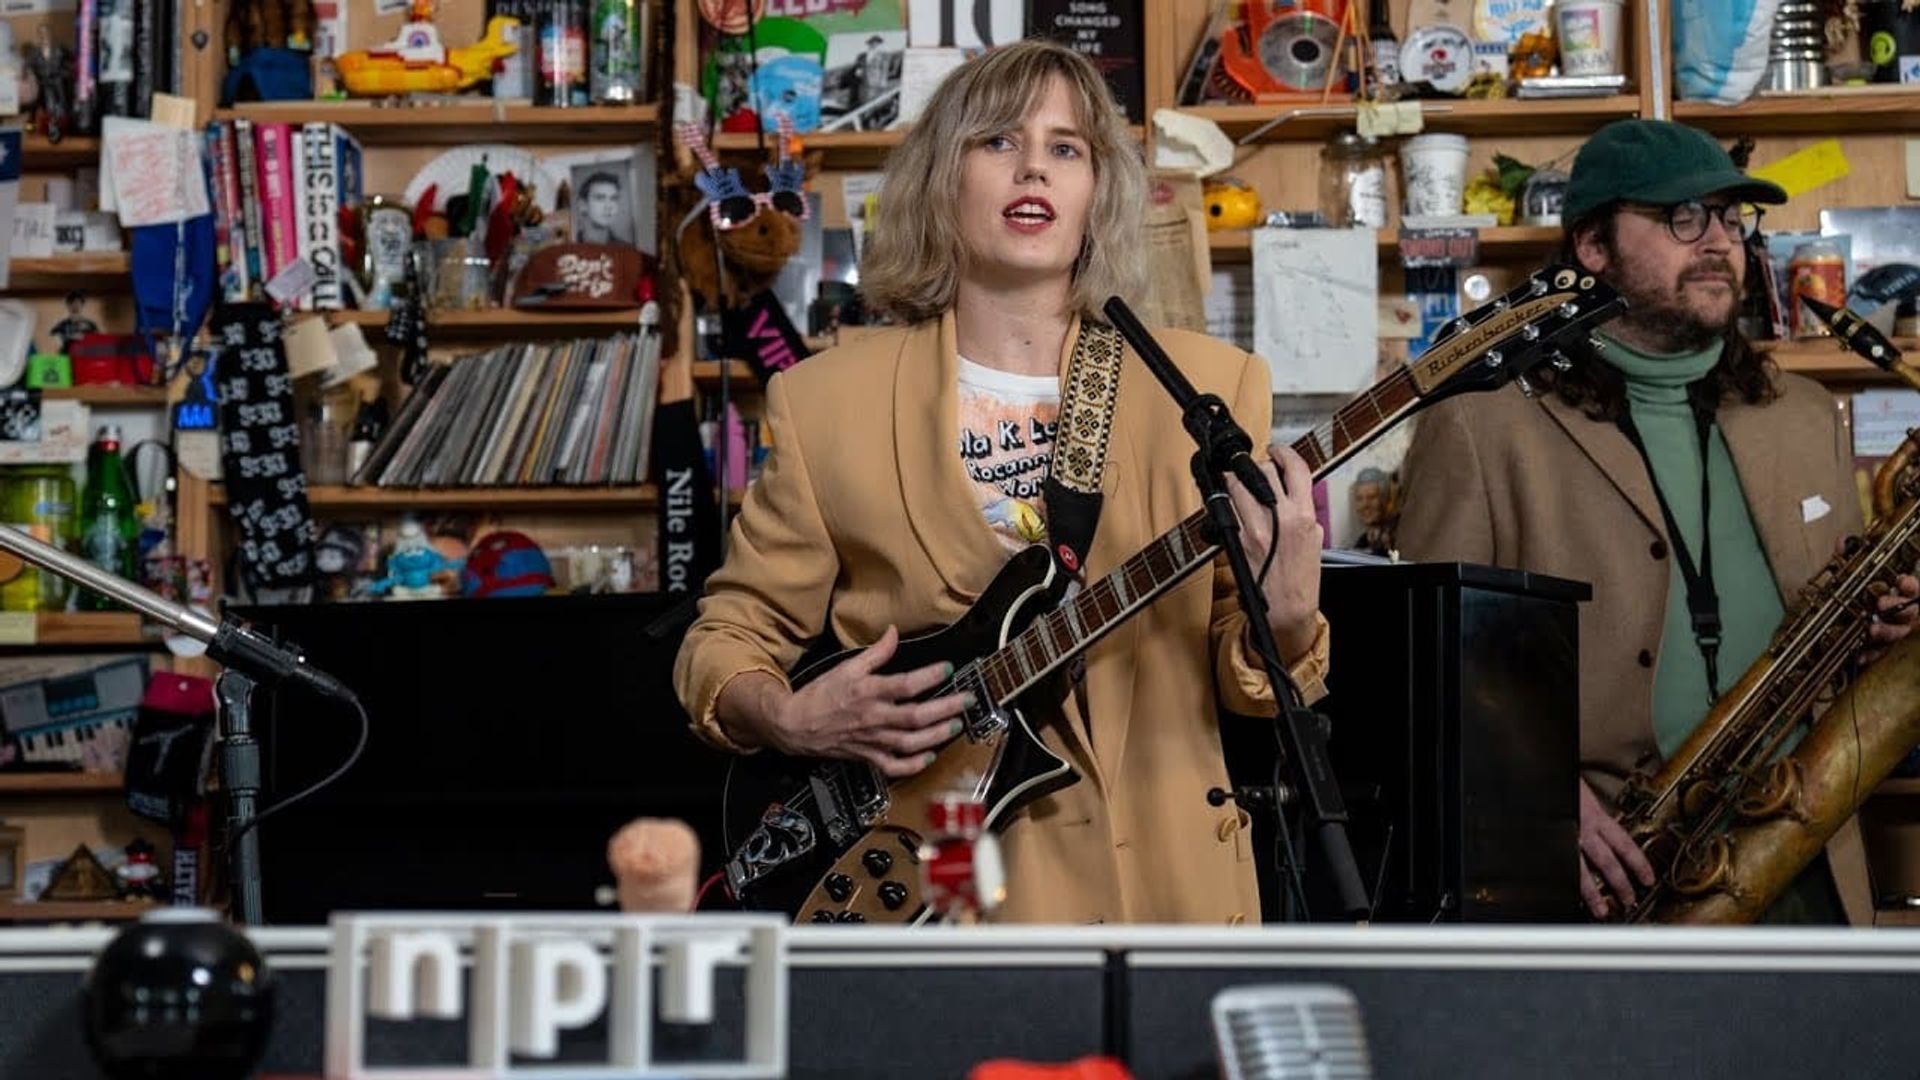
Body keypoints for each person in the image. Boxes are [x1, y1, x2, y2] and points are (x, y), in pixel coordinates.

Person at [673, 39, 1330, 925]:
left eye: (1068, 148)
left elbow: (1247, 683)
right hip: (946, 890)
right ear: (942, 180)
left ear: (1100, 190)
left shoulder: (1207, 388)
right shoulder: (825, 401)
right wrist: (788, 716)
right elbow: (728, 634)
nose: (1035, 168)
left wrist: (1286, 621)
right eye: (997, 142)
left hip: (1169, 890)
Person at [1395, 119, 1920, 924]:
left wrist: (1891, 626)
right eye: (1681, 217)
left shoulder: (1806, 415)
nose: (1717, 242)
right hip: (1608, 878)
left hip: (1806, 855)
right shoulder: (1480, 422)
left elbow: (1838, 627)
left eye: (1729, 218)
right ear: (1593, 246)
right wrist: (1526, 794)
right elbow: (1425, 669)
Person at [574, 172, 632, 246]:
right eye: (600, 198)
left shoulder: (626, 250)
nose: (609, 206)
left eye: (614, 198)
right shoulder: (568, 246)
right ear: (583, 205)